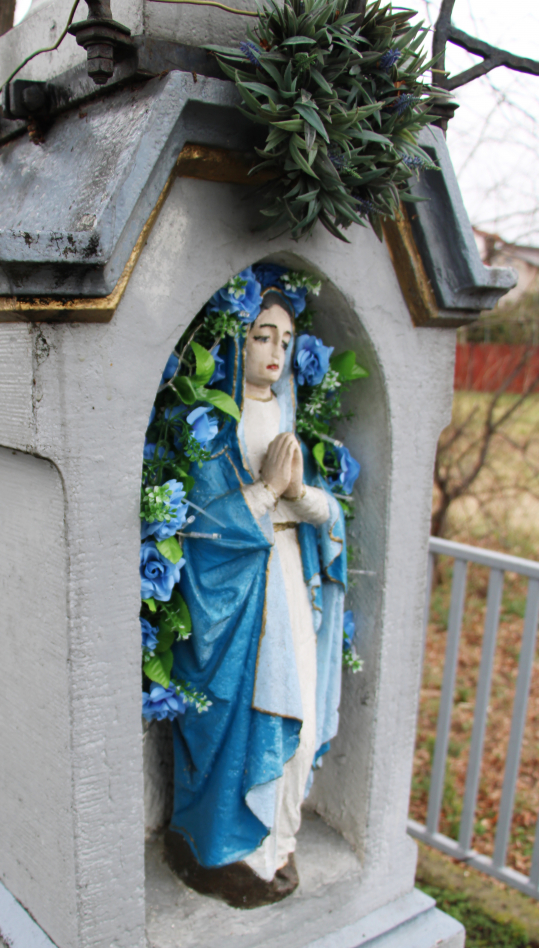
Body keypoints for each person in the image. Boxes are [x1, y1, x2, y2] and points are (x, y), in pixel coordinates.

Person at [165, 283, 347, 908]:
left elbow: (324, 512)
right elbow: (198, 526)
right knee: (241, 719)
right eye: (262, 336)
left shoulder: (288, 414)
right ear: (234, 340)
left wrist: (297, 494)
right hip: (237, 596)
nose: (275, 352)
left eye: (286, 341)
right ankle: (228, 853)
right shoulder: (215, 423)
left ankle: (277, 845)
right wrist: (266, 492)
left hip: (290, 578)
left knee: (300, 717)